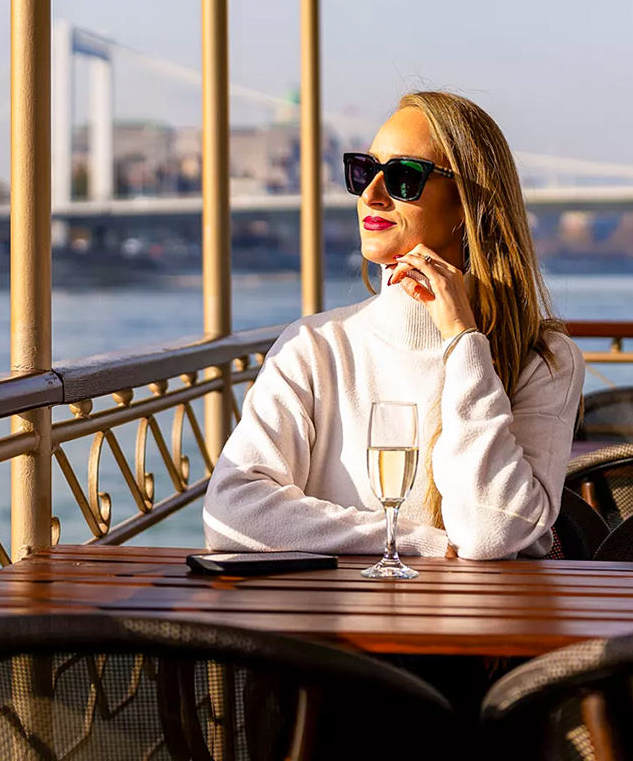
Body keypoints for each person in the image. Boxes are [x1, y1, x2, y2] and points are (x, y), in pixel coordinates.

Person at [202, 91, 585, 559]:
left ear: (470, 203)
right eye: (364, 171)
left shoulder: (544, 358)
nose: (371, 194)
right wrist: (408, 540)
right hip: (333, 630)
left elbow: (491, 533)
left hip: (489, 627)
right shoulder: (313, 348)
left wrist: (464, 343)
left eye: (403, 177)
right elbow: (231, 513)